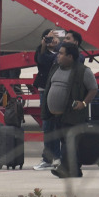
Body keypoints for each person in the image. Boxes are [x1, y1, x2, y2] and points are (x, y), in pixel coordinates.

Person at [48, 43, 98, 179]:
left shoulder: (83, 71)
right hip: (58, 115)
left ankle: (63, 169)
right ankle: (75, 171)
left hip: (73, 114)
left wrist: (83, 103)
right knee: (66, 142)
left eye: (61, 53)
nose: (58, 55)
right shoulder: (56, 68)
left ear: (70, 56)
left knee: (68, 142)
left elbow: (94, 89)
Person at [33, 29, 64, 171]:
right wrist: (44, 46)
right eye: (49, 38)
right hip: (45, 91)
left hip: (58, 90)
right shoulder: (41, 52)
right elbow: (42, 60)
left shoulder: (62, 53)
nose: (52, 41)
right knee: (47, 126)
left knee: (57, 125)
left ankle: (58, 157)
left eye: (54, 38)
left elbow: (60, 61)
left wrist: (59, 46)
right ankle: (48, 158)